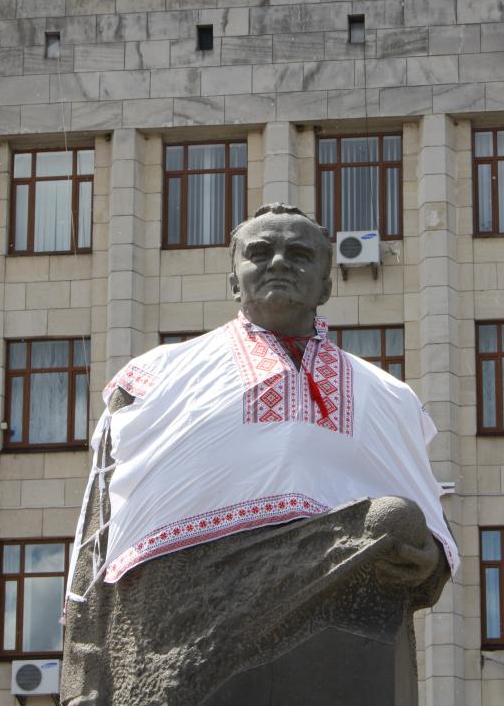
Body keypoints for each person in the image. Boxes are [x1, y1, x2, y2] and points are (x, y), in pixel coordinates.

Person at [62, 204, 457, 705]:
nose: (278, 263)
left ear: (326, 284)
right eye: (259, 252)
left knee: (395, 520)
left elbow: (430, 531)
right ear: (234, 280)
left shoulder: (387, 395)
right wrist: (84, 672)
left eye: (298, 253)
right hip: (180, 596)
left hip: (344, 589)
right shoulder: (157, 377)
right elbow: (98, 530)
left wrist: (428, 556)